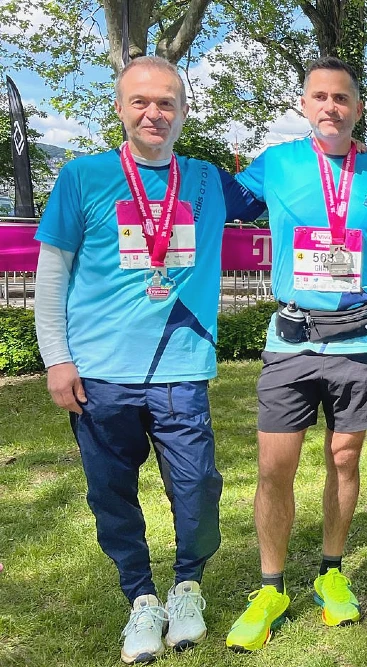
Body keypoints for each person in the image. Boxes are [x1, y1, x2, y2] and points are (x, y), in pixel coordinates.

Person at [33, 56, 263, 664]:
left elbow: (281, 195)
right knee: (111, 494)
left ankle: (188, 586)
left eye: (166, 102)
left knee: (199, 490)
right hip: (100, 373)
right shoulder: (82, 178)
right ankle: (140, 597)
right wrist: (57, 359)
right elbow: (51, 276)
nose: (153, 113)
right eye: (140, 102)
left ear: (183, 110)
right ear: (120, 108)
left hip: (181, 370)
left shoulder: (210, 181)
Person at [225, 56, 367, 651]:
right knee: (274, 467)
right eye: (320, 96)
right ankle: (271, 585)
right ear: (305, 104)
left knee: (345, 460)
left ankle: (331, 572)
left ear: (358, 107)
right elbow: (223, 206)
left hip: (360, 342)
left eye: (343, 98)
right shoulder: (275, 164)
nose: (332, 106)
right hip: (292, 340)